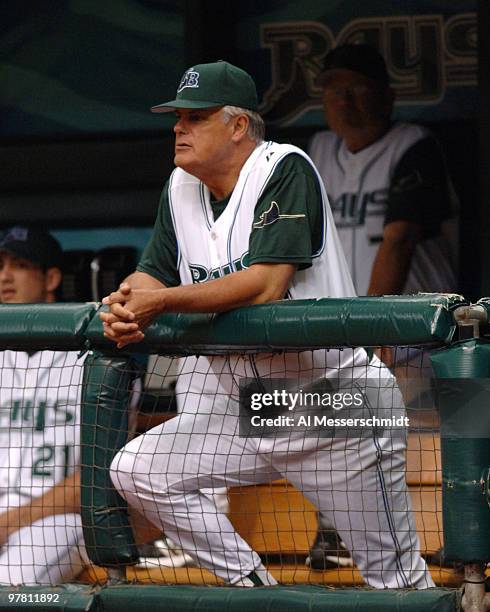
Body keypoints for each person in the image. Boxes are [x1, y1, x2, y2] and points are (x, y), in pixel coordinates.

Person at [101, 60, 434, 589]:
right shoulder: (182, 186)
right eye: (176, 118)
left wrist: (159, 303)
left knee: (397, 583)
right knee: (138, 469)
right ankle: (256, 591)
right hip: (250, 409)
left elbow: (265, 285)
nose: (178, 128)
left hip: (332, 406)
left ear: (238, 126)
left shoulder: (283, 167)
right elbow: (152, 273)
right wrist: (123, 301)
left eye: (195, 116)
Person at [307, 43, 458, 570]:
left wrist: (375, 332)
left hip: (419, 329)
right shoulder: (317, 153)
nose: (342, 100)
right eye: (331, 89)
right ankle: (337, 535)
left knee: (460, 426)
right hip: (349, 333)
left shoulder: (414, 145)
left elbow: (398, 242)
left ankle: (460, 535)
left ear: (387, 95)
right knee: (300, 414)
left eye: (355, 87)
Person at [0, 226, 88, 585]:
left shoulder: (95, 359)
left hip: (57, 517)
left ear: (51, 277)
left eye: (20, 265)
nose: (4, 276)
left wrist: (10, 521)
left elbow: (100, 479)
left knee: (10, 588)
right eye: (0, 265)